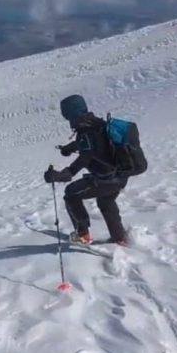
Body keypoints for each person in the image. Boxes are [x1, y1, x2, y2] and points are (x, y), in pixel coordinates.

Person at [43, 94, 129, 245]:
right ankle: (120, 237)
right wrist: (71, 147)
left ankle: (83, 235)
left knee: (71, 194)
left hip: (105, 179)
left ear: (69, 113)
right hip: (120, 176)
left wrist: (63, 175)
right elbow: (95, 145)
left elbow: (86, 157)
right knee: (106, 201)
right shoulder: (97, 123)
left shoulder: (85, 130)